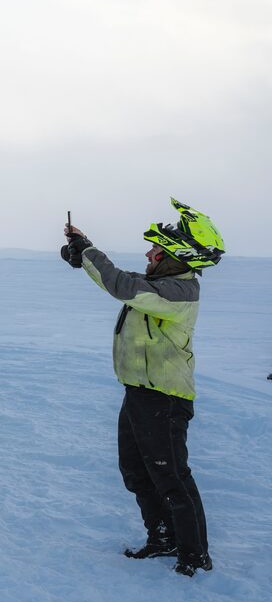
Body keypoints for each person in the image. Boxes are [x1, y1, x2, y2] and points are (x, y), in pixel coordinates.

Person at [62, 198, 224, 577]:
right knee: (135, 471)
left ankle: (194, 555)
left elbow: (121, 284)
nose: (150, 254)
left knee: (171, 475)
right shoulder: (161, 284)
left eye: (158, 250)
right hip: (139, 391)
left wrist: (87, 251)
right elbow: (121, 281)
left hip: (164, 397)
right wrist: (82, 253)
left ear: (177, 257)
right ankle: (162, 537)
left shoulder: (178, 293)